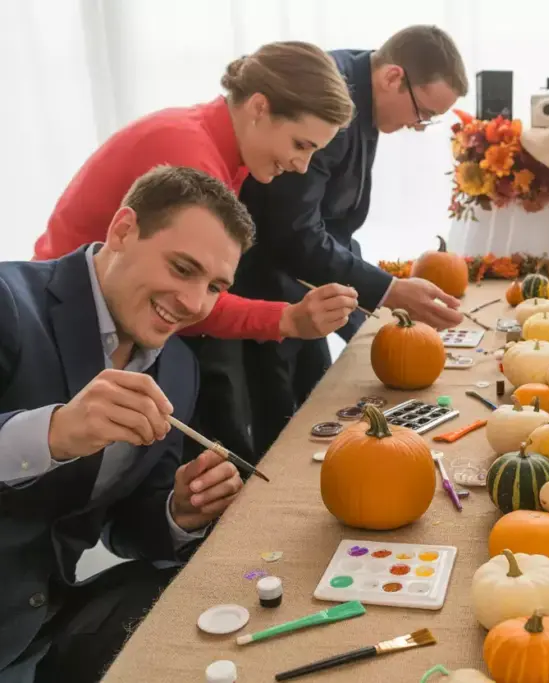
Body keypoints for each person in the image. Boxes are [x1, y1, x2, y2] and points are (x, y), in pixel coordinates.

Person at [33, 41, 360, 463]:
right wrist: (289, 319)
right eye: (302, 145)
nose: (302, 164)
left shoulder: (207, 139)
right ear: (259, 107)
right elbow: (184, 297)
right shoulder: (192, 155)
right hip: (61, 333)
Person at [0, 166, 252, 682]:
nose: (194, 304)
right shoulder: (8, 302)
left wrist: (179, 513)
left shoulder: (178, 369)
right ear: (122, 230)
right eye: (183, 269)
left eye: (214, 287)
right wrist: (54, 433)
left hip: (48, 626)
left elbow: (126, 529)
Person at [235, 25, 468, 457]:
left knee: (319, 406)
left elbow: (335, 227)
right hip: (262, 288)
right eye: (422, 113)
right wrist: (387, 290)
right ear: (393, 78)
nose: (418, 127)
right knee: (283, 434)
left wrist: (370, 313)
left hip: (302, 282)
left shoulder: (366, 86)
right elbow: (295, 233)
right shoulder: (331, 99)